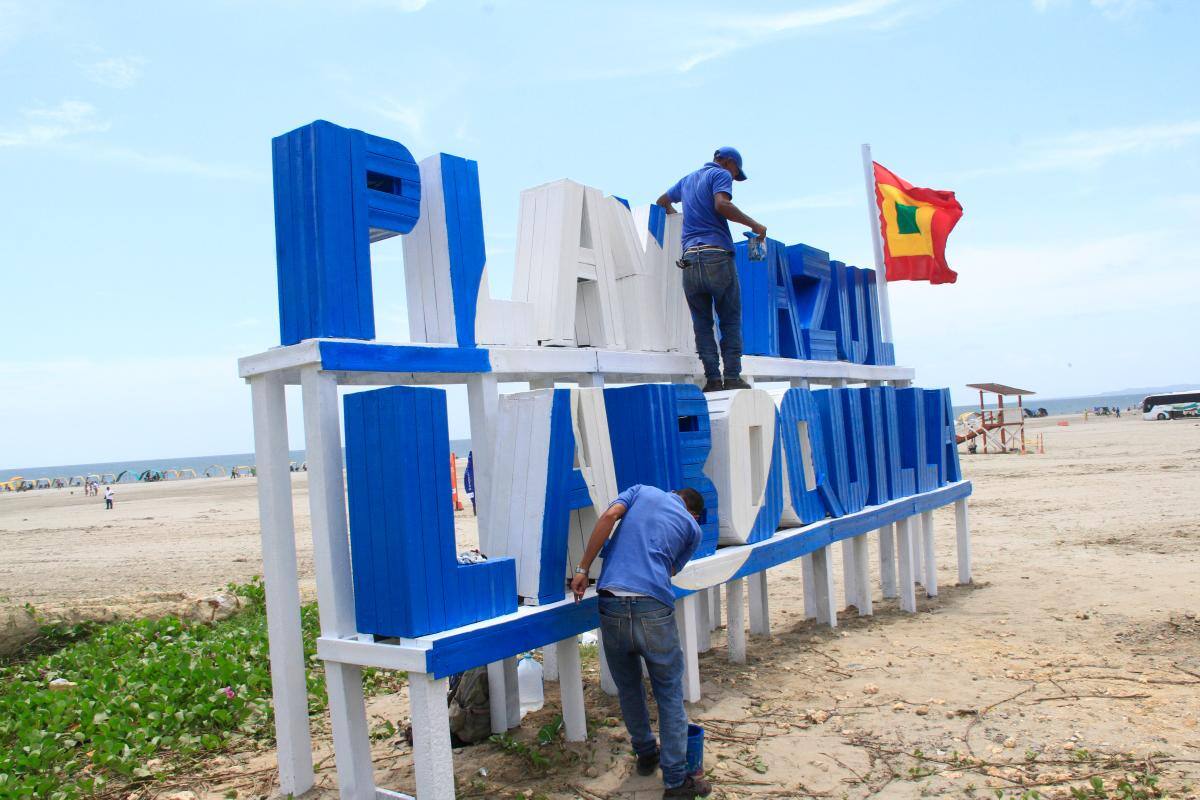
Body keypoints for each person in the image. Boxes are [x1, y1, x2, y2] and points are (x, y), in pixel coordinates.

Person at [570, 484, 711, 798]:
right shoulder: (692, 529)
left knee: (630, 687)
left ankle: (646, 753)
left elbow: (609, 516)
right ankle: (675, 782)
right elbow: (670, 568)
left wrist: (582, 568)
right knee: (669, 693)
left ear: (673, 492)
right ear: (695, 514)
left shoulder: (641, 492)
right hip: (653, 607)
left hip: (611, 600)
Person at [657, 147, 767, 393]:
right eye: (735, 172)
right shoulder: (720, 175)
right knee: (729, 320)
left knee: (702, 323)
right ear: (727, 162)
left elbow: (662, 202)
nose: (733, 178)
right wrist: (756, 225)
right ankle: (732, 377)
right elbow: (722, 204)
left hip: (689, 260)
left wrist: (679, 217)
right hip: (716, 255)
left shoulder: (686, 180)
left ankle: (713, 380)